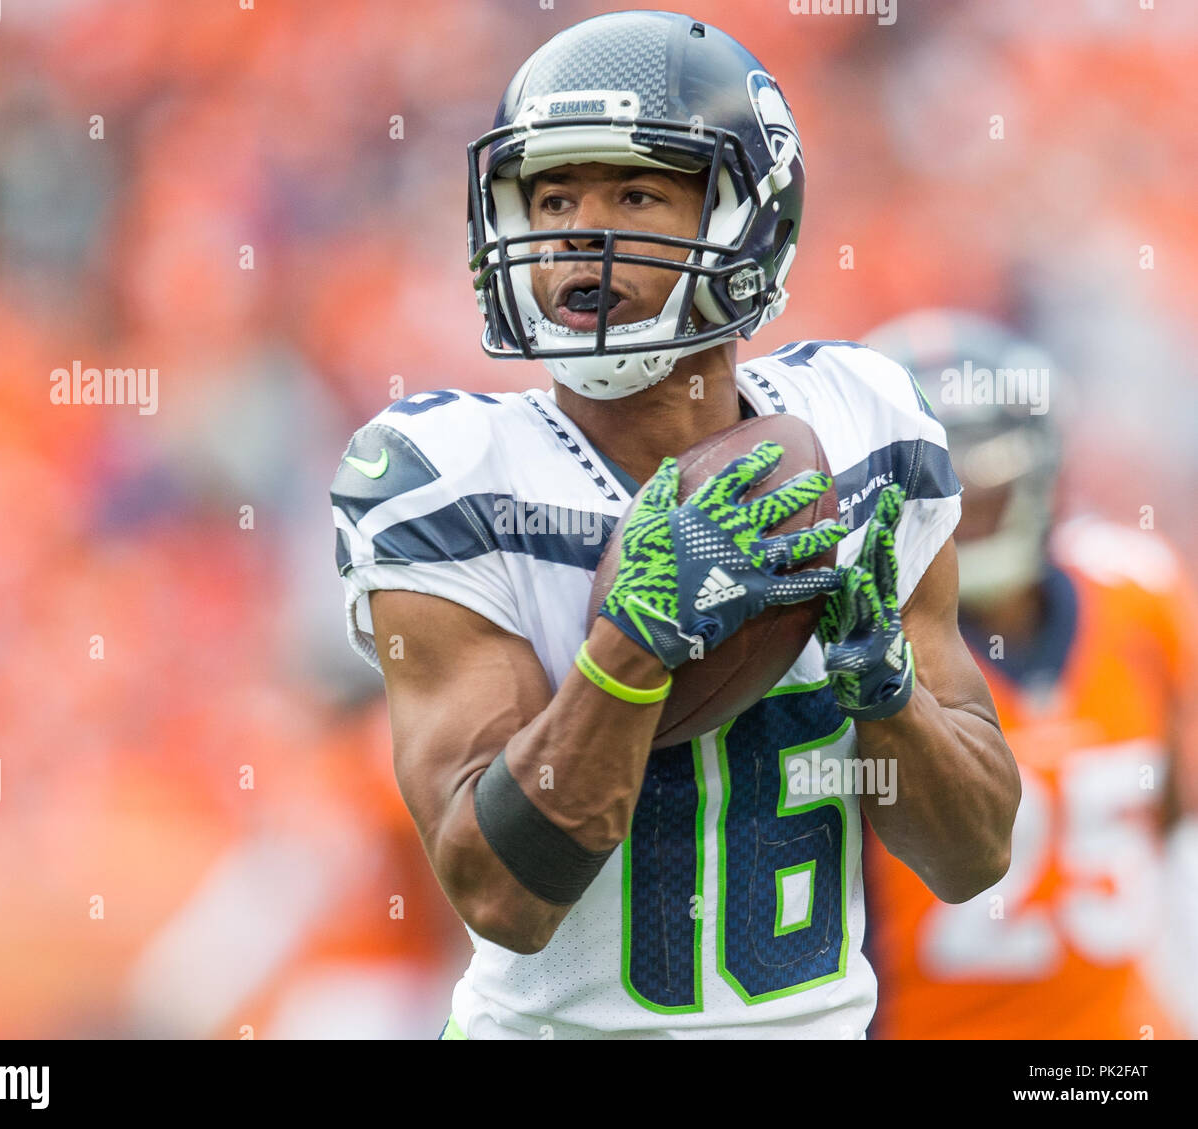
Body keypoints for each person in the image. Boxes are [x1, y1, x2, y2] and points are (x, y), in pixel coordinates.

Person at [330, 11, 1018, 1039]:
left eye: (635, 192)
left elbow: (972, 854)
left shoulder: (864, 426)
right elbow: (500, 895)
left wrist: (884, 687)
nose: (578, 231)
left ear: (749, 214)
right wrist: (630, 645)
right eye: (552, 195)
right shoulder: (447, 477)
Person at [861, 309, 1198, 1039]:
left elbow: (1171, 820)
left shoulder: (1140, 597)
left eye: (985, 470)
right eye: (938, 478)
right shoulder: (856, 652)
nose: (962, 503)